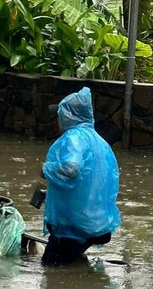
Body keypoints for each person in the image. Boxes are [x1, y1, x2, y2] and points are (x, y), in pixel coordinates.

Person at [40, 87, 121, 266]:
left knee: (50, 271)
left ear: (68, 116)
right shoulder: (100, 142)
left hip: (73, 227)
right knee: (71, 265)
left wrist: (47, 169)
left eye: (59, 115)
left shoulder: (73, 138)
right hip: (98, 224)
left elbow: (71, 168)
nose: (57, 120)